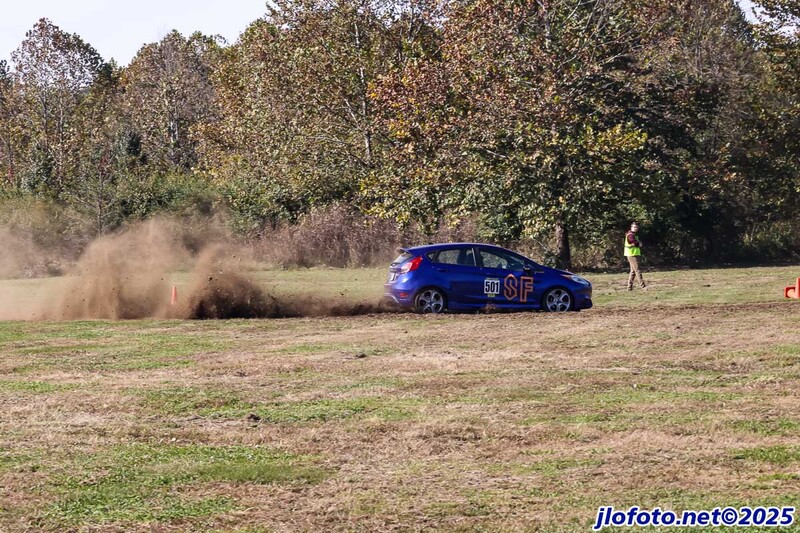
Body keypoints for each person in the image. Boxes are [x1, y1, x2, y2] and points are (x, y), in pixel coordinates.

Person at [624, 222, 646, 291]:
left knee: (633, 272)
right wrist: (638, 244)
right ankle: (643, 286)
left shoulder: (634, 235)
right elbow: (633, 242)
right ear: (631, 227)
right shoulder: (630, 235)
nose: (636, 228)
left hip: (634, 253)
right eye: (634, 227)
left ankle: (629, 287)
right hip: (631, 254)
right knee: (638, 270)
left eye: (636, 227)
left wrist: (638, 243)